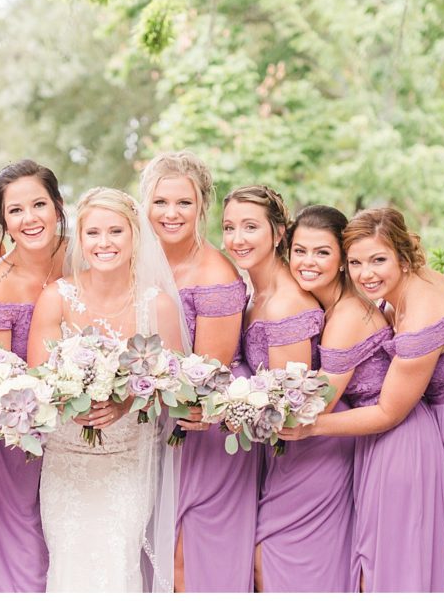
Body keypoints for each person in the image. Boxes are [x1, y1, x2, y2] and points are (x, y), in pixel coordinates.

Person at [279, 207, 444, 592]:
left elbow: (389, 410)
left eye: (378, 260)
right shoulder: (401, 289)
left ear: (403, 257)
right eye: (355, 262)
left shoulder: (421, 319)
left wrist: (313, 426)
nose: (366, 273)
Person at [27, 187, 187, 592]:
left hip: (126, 462)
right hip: (67, 461)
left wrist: (126, 401)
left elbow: (175, 387)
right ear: (80, 240)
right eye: (93, 233)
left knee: (117, 562)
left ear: (135, 236)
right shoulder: (57, 298)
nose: (104, 243)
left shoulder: (157, 305)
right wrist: (68, 401)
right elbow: (36, 381)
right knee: (68, 564)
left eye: (115, 231)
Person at [287, 204, 444, 592]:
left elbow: (316, 406)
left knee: (393, 564)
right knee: (376, 561)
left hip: (398, 440)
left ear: (339, 261)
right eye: (300, 251)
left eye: (323, 252)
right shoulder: (338, 307)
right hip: (375, 438)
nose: (308, 262)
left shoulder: (347, 318)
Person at [222, 186, 355, 592]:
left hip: (310, 450)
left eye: (250, 227)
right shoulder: (252, 295)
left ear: (278, 232)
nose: (237, 239)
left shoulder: (286, 304)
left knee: (276, 564)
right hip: (283, 452)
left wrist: (223, 409)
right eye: (228, 227)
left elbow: (290, 404)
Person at [138, 151, 258, 592]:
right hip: (146, 427)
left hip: (198, 431)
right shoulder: (133, 259)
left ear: (201, 206)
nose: (171, 214)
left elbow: (209, 373)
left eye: (183, 203)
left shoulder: (215, 275)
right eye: (160, 202)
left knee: (186, 555)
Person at [0, 159, 66, 592]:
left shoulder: (88, 258)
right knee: (26, 557)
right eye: (15, 211)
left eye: (39, 204)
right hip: (15, 439)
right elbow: (0, 381)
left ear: (58, 205)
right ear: (3, 221)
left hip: (86, 430)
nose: (30, 218)